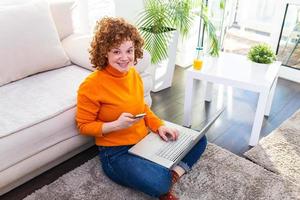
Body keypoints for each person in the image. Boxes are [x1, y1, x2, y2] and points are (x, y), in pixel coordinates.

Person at [76, 17, 207, 200]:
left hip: (143, 141)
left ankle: (173, 173)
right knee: (159, 182)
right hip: (116, 153)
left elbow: (142, 107)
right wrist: (115, 125)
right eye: (117, 52)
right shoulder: (91, 85)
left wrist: (160, 126)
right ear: (104, 52)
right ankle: (165, 177)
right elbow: (83, 126)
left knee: (199, 140)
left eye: (129, 50)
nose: (125, 58)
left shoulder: (133, 75)